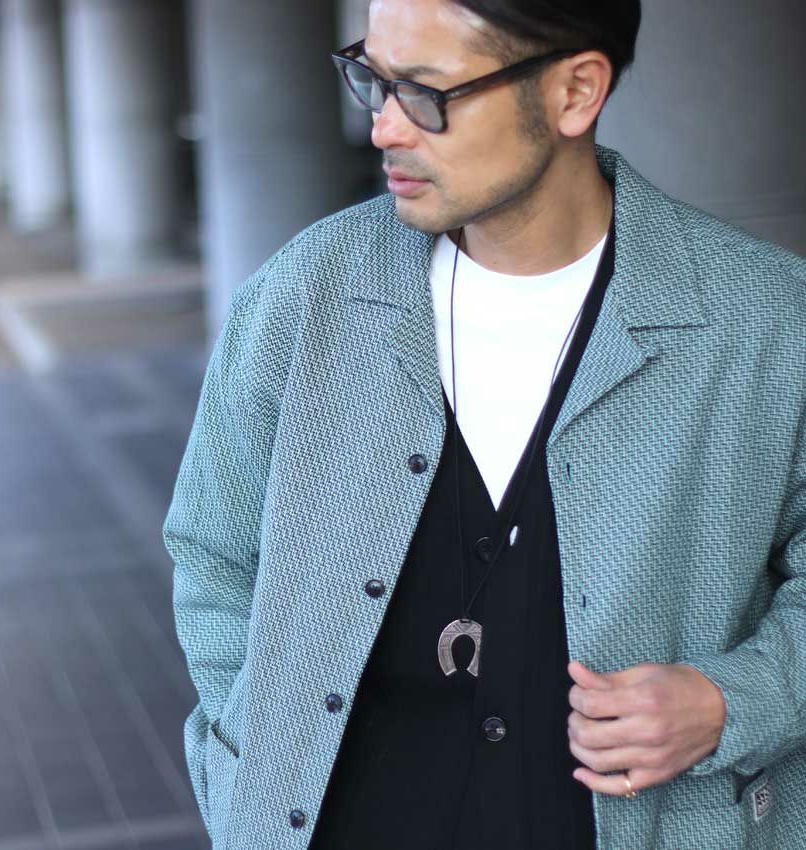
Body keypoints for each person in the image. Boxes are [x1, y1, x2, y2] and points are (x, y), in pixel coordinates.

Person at [163, 1, 806, 848]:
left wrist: (734, 701)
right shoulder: (306, 296)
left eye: (427, 93)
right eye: (374, 79)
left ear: (575, 92)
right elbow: (213, 555)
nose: (385, 127)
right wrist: (245, 769)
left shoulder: (763, 318)